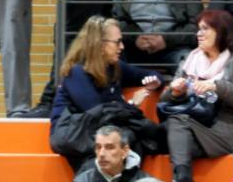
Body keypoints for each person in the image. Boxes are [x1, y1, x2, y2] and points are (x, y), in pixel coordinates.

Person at [159, 9, 233, 182]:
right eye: (198, 29)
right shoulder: (190, 61)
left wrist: (217, 87)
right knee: (172, 128)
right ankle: (183, 180)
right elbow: (164, 101)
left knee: (178, 122)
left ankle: (183, 179)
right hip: (197, 128)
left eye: (205, 29)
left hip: (230, 131)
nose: (199, 34)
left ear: (221, 31)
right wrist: (175, 92)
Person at [49, 16, 165, 171]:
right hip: (75, 135)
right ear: (100, 44)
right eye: (117, 42)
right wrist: (131, 105)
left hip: (100, 132)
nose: (122, 47)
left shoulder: (114, 67)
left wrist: (154, 81)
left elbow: (152, 75)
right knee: (129, 136)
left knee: (137, 134)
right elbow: (98, 113)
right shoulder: (76, 72)